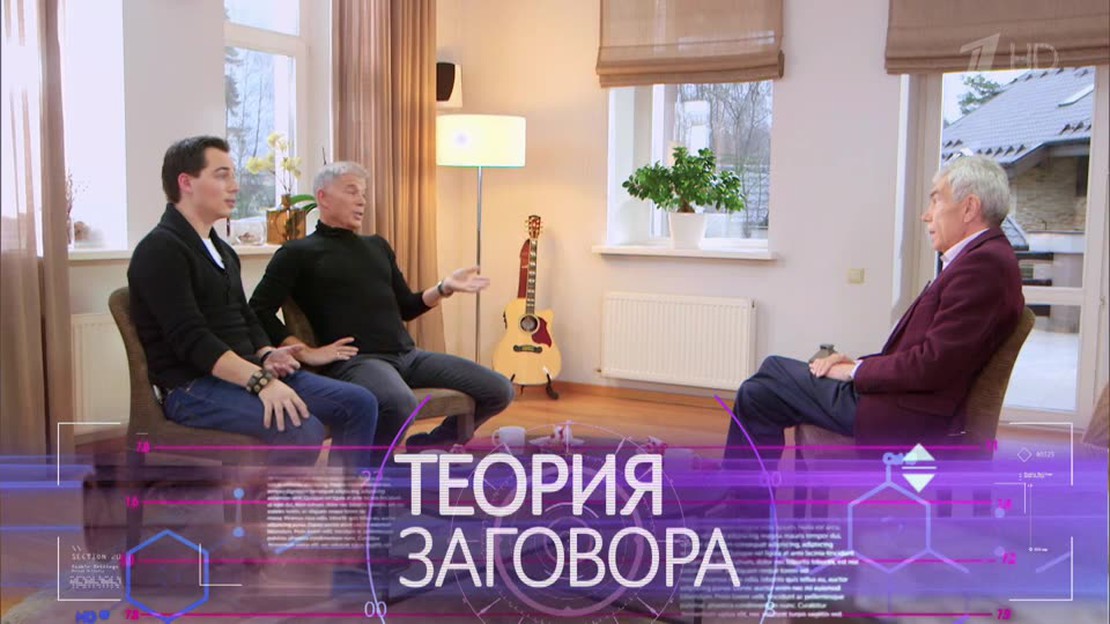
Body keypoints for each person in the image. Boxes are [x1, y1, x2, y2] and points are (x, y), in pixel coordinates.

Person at [725, 155, 1025, 463]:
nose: (926, 215)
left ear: (969, 207)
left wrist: (855, 371)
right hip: (904, 401)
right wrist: (856, 365)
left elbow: (933, 364)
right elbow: (935, 355)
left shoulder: (983, 266)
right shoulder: (984, 259)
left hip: (904, 418)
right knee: (763, 385)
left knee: (767, 380)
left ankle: (739, 491)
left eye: (936, 201)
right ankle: (743, 490)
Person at [128, 137, 379, 470]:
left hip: (245, 370)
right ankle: (272, 504)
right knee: (302, 429)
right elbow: (192, 340)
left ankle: (347, 495)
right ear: (186, 182)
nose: (235, 186)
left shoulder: (221, 249)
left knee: (360, 402)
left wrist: (267, 353)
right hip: (192, 387)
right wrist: (261, 381)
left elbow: (244, 315)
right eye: (222, 175)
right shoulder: (160, 250)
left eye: (234, 175)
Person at [249, 161, 514, 456]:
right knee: (399, 402)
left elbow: (406, 306)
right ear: (323, 197)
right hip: (358, 361)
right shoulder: (297, 253)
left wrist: (443, 288)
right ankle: (373, 470)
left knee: (499, 389)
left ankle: (430, 445)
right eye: (352, 191)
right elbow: (258, 309)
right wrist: (306, 352)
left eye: (363, 193)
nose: (362, 200)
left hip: (408, 356)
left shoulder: (377, 246)